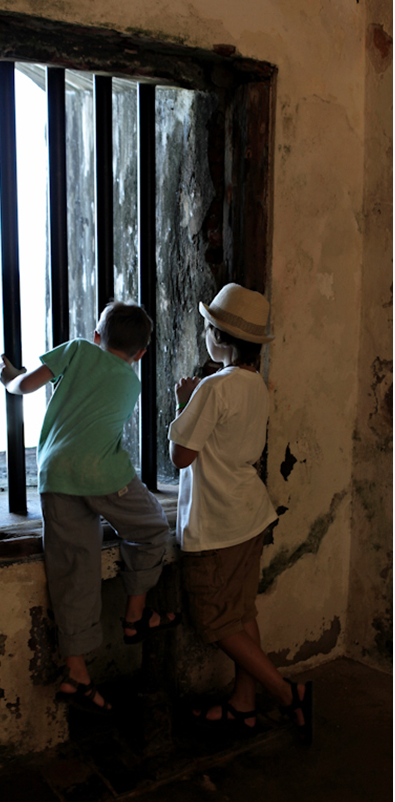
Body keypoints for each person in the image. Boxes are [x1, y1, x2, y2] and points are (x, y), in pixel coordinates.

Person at [0, 302, 178, 715]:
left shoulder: (78, 349)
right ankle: (136, 617)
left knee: (72, 571)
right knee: (152, 529)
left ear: (97, 336)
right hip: (105, 475)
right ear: (141, 354)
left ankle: (77, 672)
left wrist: (8, 379)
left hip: (57, 476)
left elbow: (25, 386)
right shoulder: (131, 383)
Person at [169, 283, 312, 741]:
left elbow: (181, 456)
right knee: (243, 610)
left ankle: (288, 695)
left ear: (221, 338)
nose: (205, 335)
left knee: (216, 621)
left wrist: (184, 402)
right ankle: (244, 704)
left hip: (218, 524)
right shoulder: (258, 386)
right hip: (251, 514)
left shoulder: (212, 388)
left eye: (209, 328)